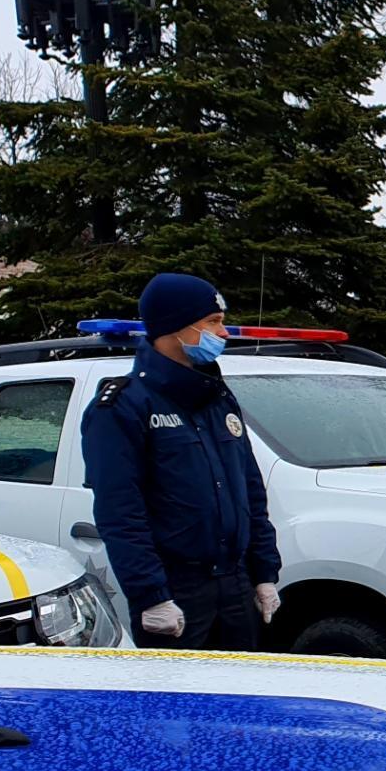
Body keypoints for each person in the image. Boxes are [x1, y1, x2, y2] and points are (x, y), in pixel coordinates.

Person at [81, 273, 281, 650]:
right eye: (213, 322)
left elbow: (250, 491)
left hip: (235, 586)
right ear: (176, 328)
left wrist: (264, 571)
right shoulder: (124, 406)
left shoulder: (216, 398)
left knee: (242, 701)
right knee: (178, 707)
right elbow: (120, 512)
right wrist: (151, 595)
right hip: (176, 591)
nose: (223, 334)